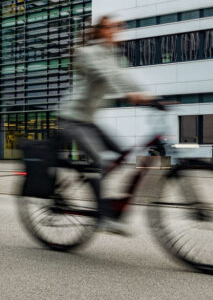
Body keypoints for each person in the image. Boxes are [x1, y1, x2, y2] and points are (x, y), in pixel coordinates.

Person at [58, 15, 152, 235]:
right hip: (71, 119)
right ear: (101, 30)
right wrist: (131, 94)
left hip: (89, 121)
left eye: (118, 26)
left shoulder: (113, 56)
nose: (116, 30)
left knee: (123, 153)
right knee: (99, 162)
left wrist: (147, 95)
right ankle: (102, 216)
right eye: (111, 27)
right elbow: (106, 75)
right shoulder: (88, 53)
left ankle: (91, 181)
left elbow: (122, 76)